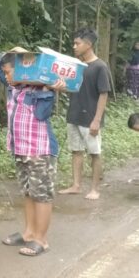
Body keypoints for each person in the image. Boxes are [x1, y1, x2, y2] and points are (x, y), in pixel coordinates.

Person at [0, 48, 65, 257]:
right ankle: (29, 233)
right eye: (5, 73)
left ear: (24, 72)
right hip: (20, 149)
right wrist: (13, 53)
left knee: (41, 195)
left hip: (39, 150)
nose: (6, 76)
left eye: (9, 72)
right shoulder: (13, 88)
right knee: (28, 192)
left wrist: (49, 89)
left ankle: (41, 240)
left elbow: (43, 114)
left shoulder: (40, 90)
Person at [59, 28, 112, 200]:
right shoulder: (77, 66)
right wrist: (59, 86)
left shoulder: (100, 67)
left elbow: (103, 94)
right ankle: (76, 185)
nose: (74, 46)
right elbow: (73, 87)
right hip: (74, 115)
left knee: (94, 153)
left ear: (88, 45)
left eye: (77, 43)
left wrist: (96, 120)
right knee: (76, 151)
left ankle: (95, 189)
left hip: (90, 119)